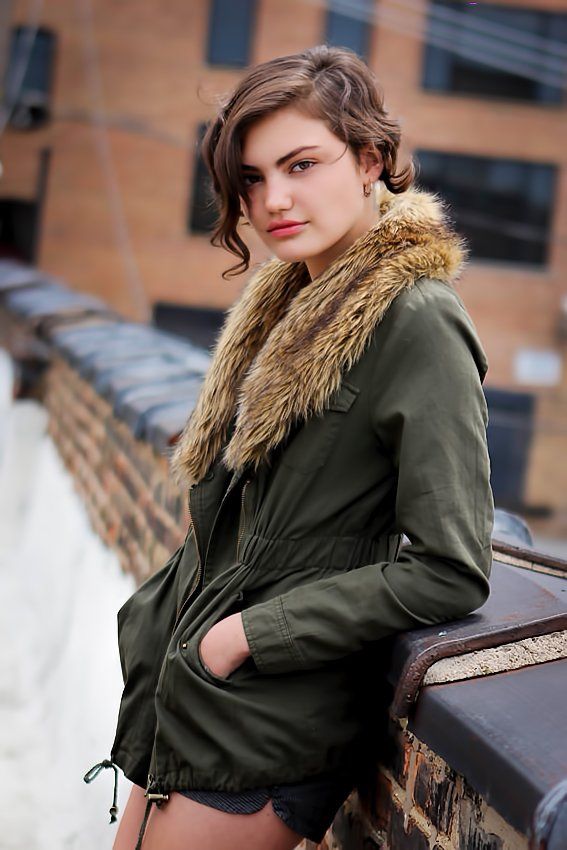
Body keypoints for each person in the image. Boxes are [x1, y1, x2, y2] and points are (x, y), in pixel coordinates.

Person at [86, 45, 494, 850]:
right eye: (251, 178)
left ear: (369, 159)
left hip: (268, 716)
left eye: (301, 165)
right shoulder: (287, 301)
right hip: (193, 698)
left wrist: (243, 638)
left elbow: (450, 568)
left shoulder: (416, 319)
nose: (272, 199)